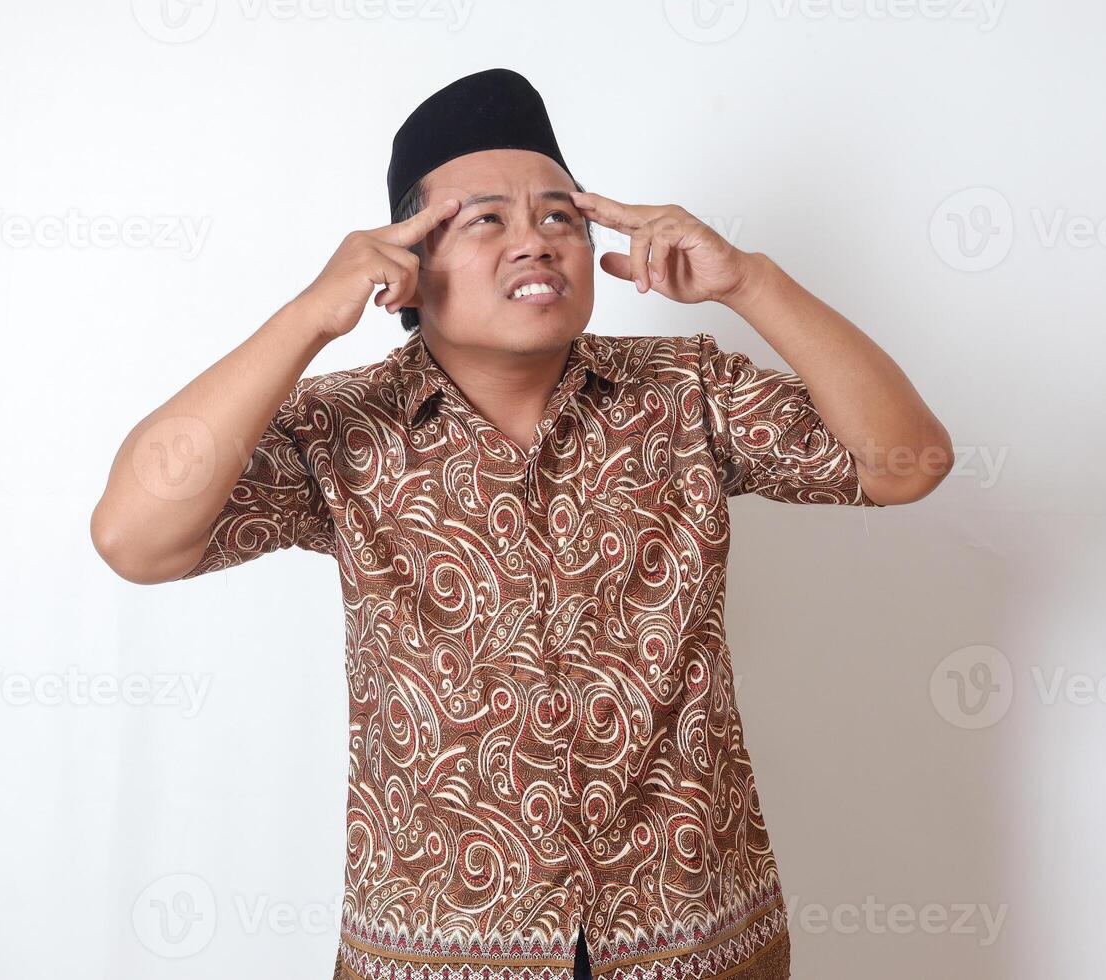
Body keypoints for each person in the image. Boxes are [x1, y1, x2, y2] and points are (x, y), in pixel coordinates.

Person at [91, 67, 952, 980]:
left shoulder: (684, 390)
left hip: (697, 935)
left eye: (559, 218)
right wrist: (309, 316)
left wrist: (751, 282)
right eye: (485, 220)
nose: (535, 244)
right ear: (406, 269)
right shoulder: (342, 428)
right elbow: (134, 538)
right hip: (437, 948)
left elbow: (906, 465)